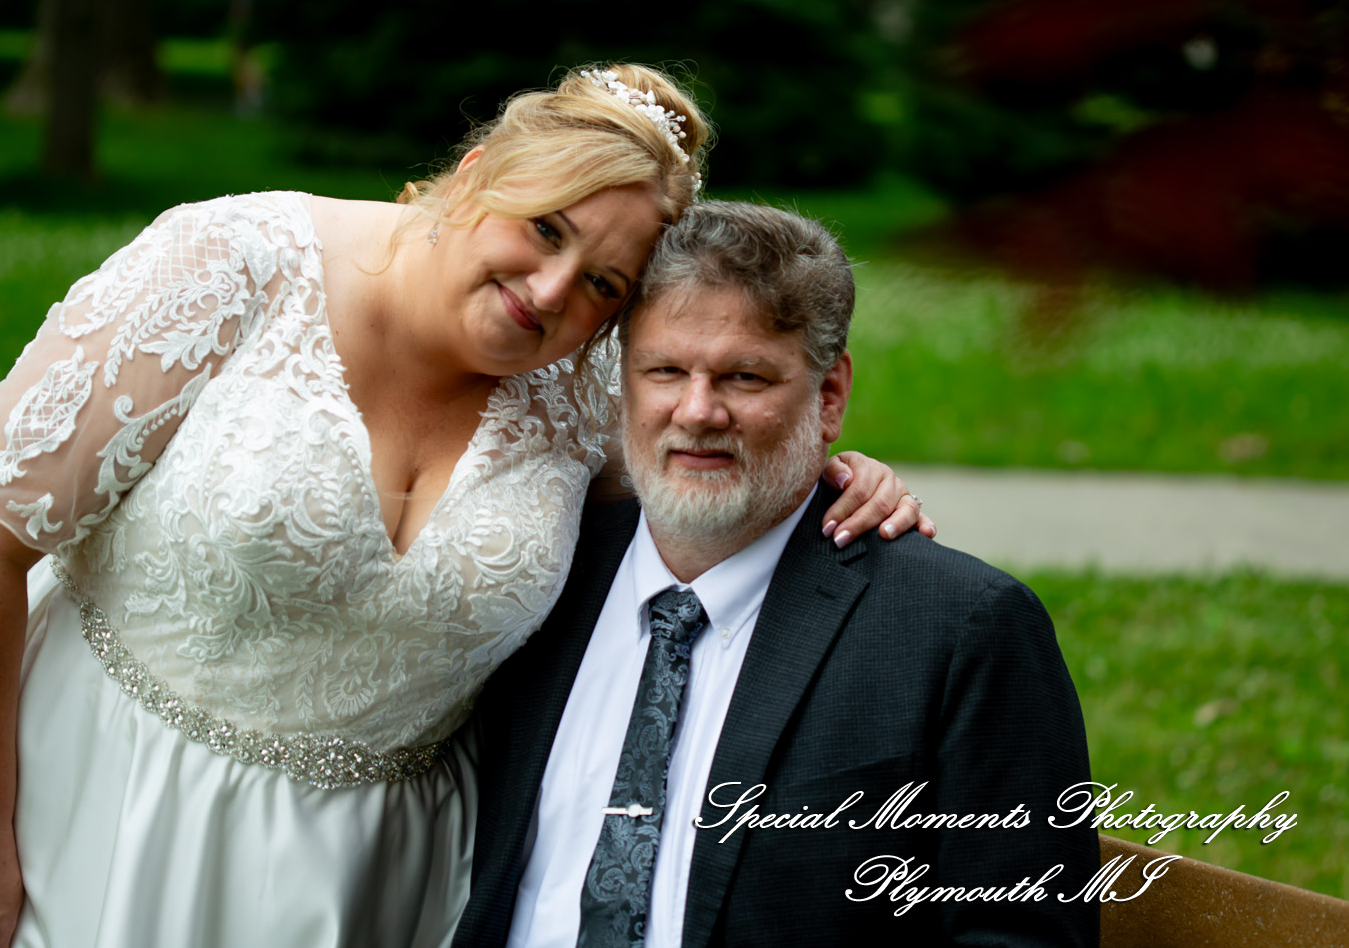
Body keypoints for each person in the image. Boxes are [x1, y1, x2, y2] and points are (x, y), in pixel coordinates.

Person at [0, 65, 933, 948]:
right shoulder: (228, 265)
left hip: (383, 874)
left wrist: (832, 468)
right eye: (544, 228)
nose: (552, 292)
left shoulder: (582, 393)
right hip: (102, 805)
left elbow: (701, 482)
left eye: (603, 284)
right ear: (475, 175)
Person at [454, 201, 1099, 948]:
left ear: (829, 396)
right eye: (665, 370)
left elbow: (1020, 934)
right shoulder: (540, 573)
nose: (697, 411)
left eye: (745, 377)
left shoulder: (959, 632)